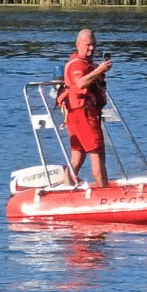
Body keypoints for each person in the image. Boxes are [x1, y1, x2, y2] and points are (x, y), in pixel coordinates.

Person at [60, 29, 112, 187]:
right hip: (82, 113)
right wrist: (99, 70)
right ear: (78, 44)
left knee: (79, 154)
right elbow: (80, 83)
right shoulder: (77, 64)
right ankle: (103, 192)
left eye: (93, 45)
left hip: (80, 113)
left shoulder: (88, 64)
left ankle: (67, 186)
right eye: (88, 45)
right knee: (97, 152)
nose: (91, 48)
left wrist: (99, 72)